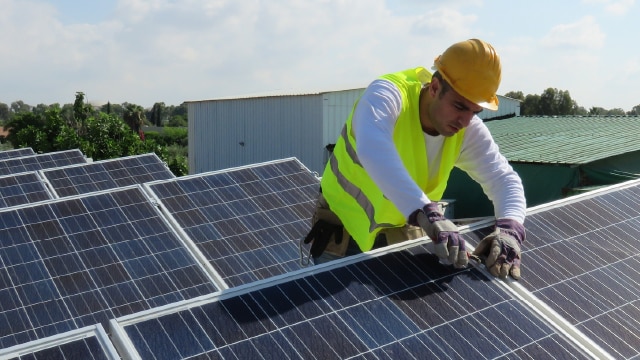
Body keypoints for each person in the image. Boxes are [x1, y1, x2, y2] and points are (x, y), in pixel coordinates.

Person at [303, 38, 527, 280]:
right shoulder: (386, 95)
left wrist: (510, 230)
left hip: (400, 235)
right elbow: (373, 149)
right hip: (341, 235)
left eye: (475, 111)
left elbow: (503, 179)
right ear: (434, 87)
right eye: (459, 106)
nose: (465, 121)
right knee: (335, 316)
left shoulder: (467, 129)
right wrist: (428, 213)